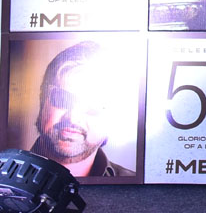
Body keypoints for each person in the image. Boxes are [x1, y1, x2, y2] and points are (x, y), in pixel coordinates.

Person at [30, 41, 132, 177]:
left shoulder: (142, 193)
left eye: (93, 105)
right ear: (42, 101)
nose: (73, 118)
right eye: (62, 99)